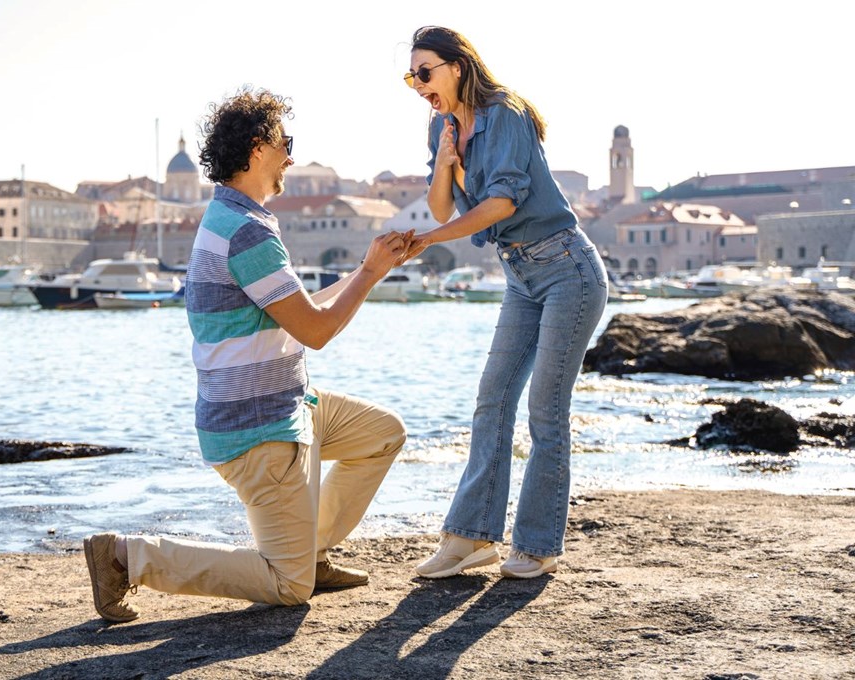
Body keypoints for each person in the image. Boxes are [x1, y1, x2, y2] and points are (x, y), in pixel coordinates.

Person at [83, 88, 410, 622]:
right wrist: (370, 273)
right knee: (287, 587)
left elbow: (297, 309)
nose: (291, 157)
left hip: (289, 406)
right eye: (286, 143)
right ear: (258, 148)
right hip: (260, 429)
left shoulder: (233, 217)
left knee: (381, 433)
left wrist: (372, 269)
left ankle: (311, 548)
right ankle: (125, 558)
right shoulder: (247, 232)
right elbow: (317, 329)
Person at [399, 26, 608, 579]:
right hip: (519, 275)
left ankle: (537, 545)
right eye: (410, 76)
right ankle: (470, 538)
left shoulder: (507, 113)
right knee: (491, 399)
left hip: (568, 269)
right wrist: (445, 161)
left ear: (458, 66)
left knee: (546, 409)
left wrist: (425, 242)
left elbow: (500, 202)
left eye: (425, 72)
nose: (418, 84)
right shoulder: (441, 126)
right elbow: (442, 208)